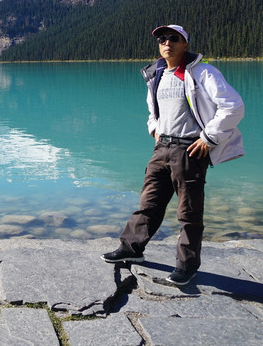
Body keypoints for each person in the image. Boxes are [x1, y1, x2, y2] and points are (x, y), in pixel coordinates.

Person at [102, 25, 245, 286]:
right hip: (162, 148)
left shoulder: (203, 73)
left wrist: (209, 137)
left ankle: (187, 265)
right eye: (162, 39)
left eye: (173, 38)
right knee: (149, 203)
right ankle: (132, 249)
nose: (167, 42)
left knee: (189, 212)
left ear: (185, 44)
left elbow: (233, 106)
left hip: (189, 149)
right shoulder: (156, 74)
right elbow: (152, 110)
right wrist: (154, 129)